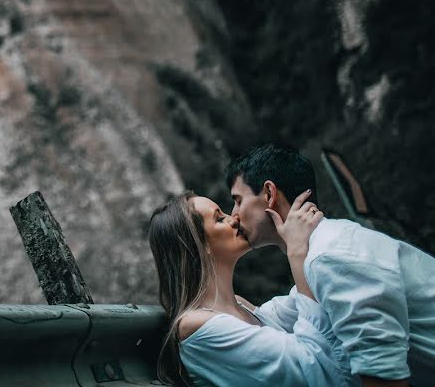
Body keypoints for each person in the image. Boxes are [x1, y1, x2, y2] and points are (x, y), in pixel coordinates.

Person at [228, 143, 435, 387]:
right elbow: (273, 316)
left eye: (238, 201)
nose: (233, 215)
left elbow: (385, 382)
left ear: (269, 194)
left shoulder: (330, 257)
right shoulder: (322, 252)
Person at [148, 189, 355, 386]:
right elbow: (311, 370)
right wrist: (297, 252)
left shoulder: (238, 304)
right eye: (220, 219)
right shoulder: (197, 326)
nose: (234, 218)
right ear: (199, 245)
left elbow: (301, 304)